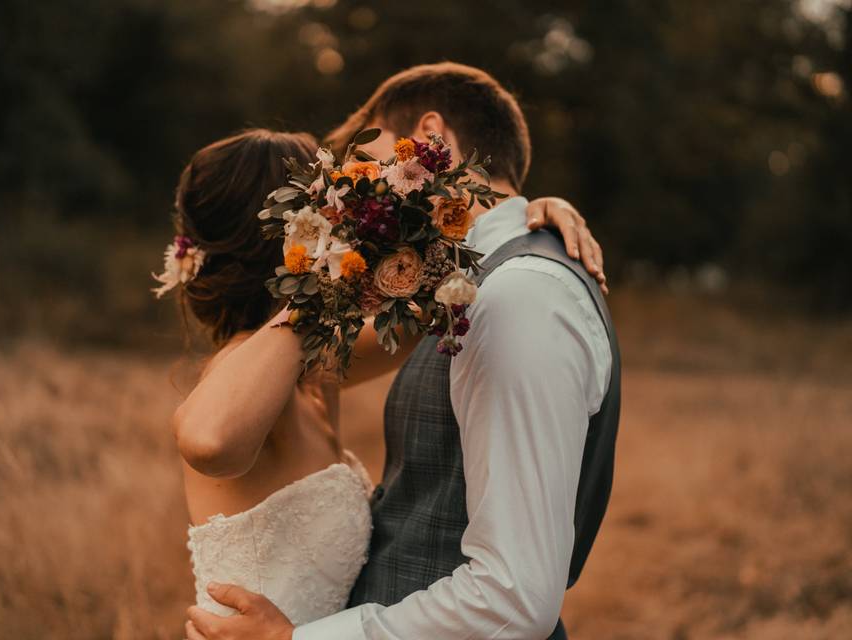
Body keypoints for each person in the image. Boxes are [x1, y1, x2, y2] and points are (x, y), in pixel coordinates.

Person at [184, 63, 620, 640]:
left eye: (368, 158)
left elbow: (515, 597)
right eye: (339, 189)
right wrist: (332, 267)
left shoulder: (520, 294)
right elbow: (211, 438)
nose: (361, 184)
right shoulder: (475, 290)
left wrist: (532, 215)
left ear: (430, 137)